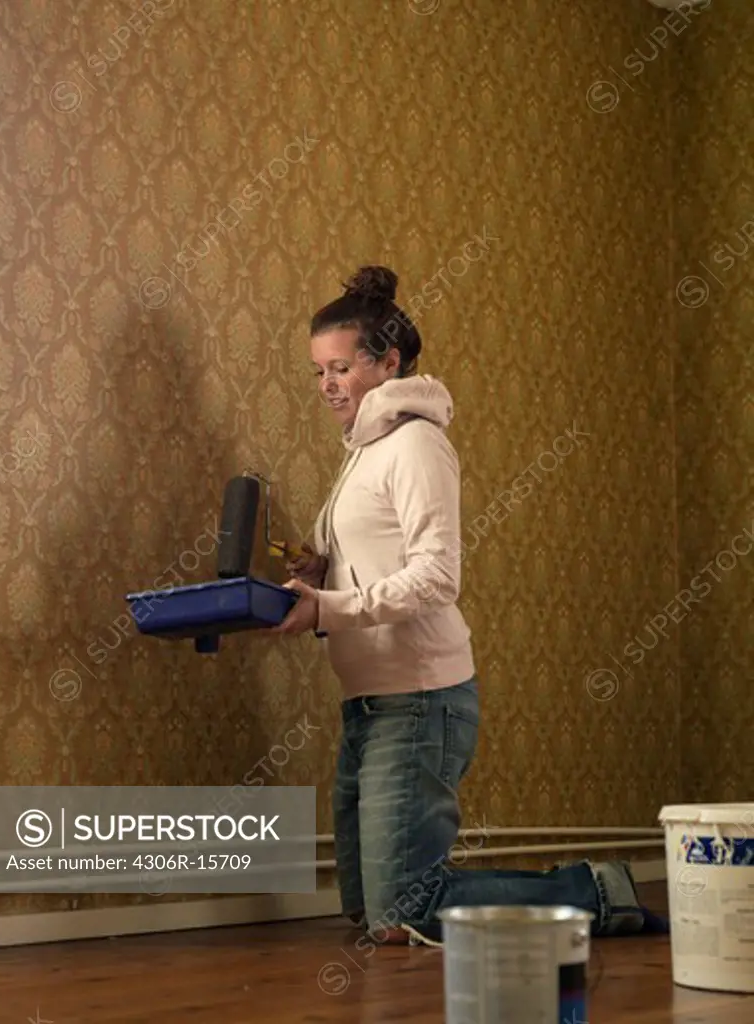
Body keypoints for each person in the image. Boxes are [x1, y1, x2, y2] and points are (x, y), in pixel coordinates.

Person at [274, 264, 667, 947]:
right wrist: (322, 568)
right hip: (369, 699)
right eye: (318, 373)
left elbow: (435, 578)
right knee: (371, 910)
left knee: (407, 907)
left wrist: (327, 608)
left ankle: (594, 891)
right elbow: (384, 560)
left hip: (421, 697)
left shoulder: (416, 444)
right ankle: (569, 894)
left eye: (339, 369)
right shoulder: (364, 451)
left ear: (388, 362)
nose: (327, 386)